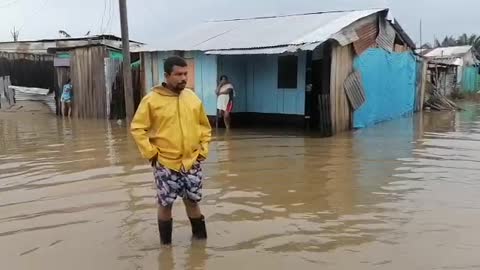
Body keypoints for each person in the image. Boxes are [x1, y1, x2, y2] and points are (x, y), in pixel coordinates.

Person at [131, 56, 212, 246]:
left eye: (186, 74)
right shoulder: (151, 100)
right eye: (178, 74)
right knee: (165, 204)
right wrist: (151, 154)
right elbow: (137, 128)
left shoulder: (192, 98)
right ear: (167, 75)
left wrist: (203, 151)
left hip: (192, 162)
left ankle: (200, 246)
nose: (184, 78)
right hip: (165, 163)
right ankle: (165, 249)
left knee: (193, 202)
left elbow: (205, 127)